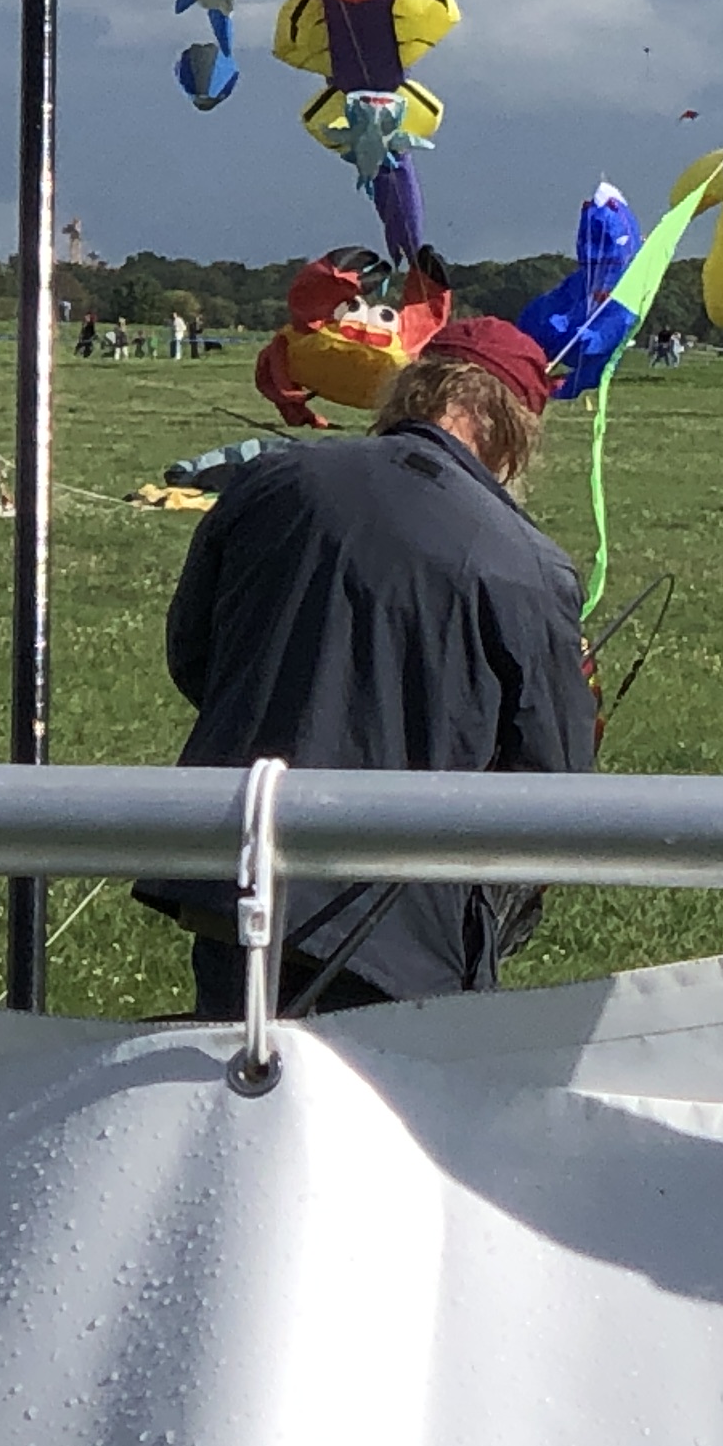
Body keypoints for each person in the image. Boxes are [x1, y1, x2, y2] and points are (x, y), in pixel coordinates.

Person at [133, 317, 595, 1019]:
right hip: (404, 922)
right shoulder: (528, 562)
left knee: (234, 1092)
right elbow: (553, 777)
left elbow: (193, 656)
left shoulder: (270, 480)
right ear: (509, 427)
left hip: (243, 865)